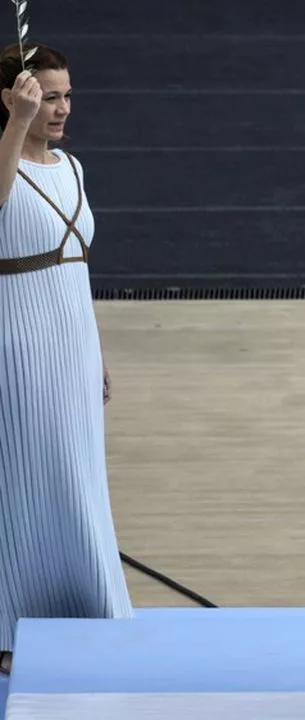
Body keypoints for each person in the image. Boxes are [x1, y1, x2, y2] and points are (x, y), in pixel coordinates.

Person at [0, 42, 133, 676]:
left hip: (72, 343)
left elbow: (75, 264)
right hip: (17, 344)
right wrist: (15, 126)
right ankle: (8, 627)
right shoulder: (4, 162)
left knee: (78, 476)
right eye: (47, 96)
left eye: (66, 95)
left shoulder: (72, 167)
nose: (61, 108)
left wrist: (97, 349)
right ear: (14, 98)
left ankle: (91, 609)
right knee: (22, 481)